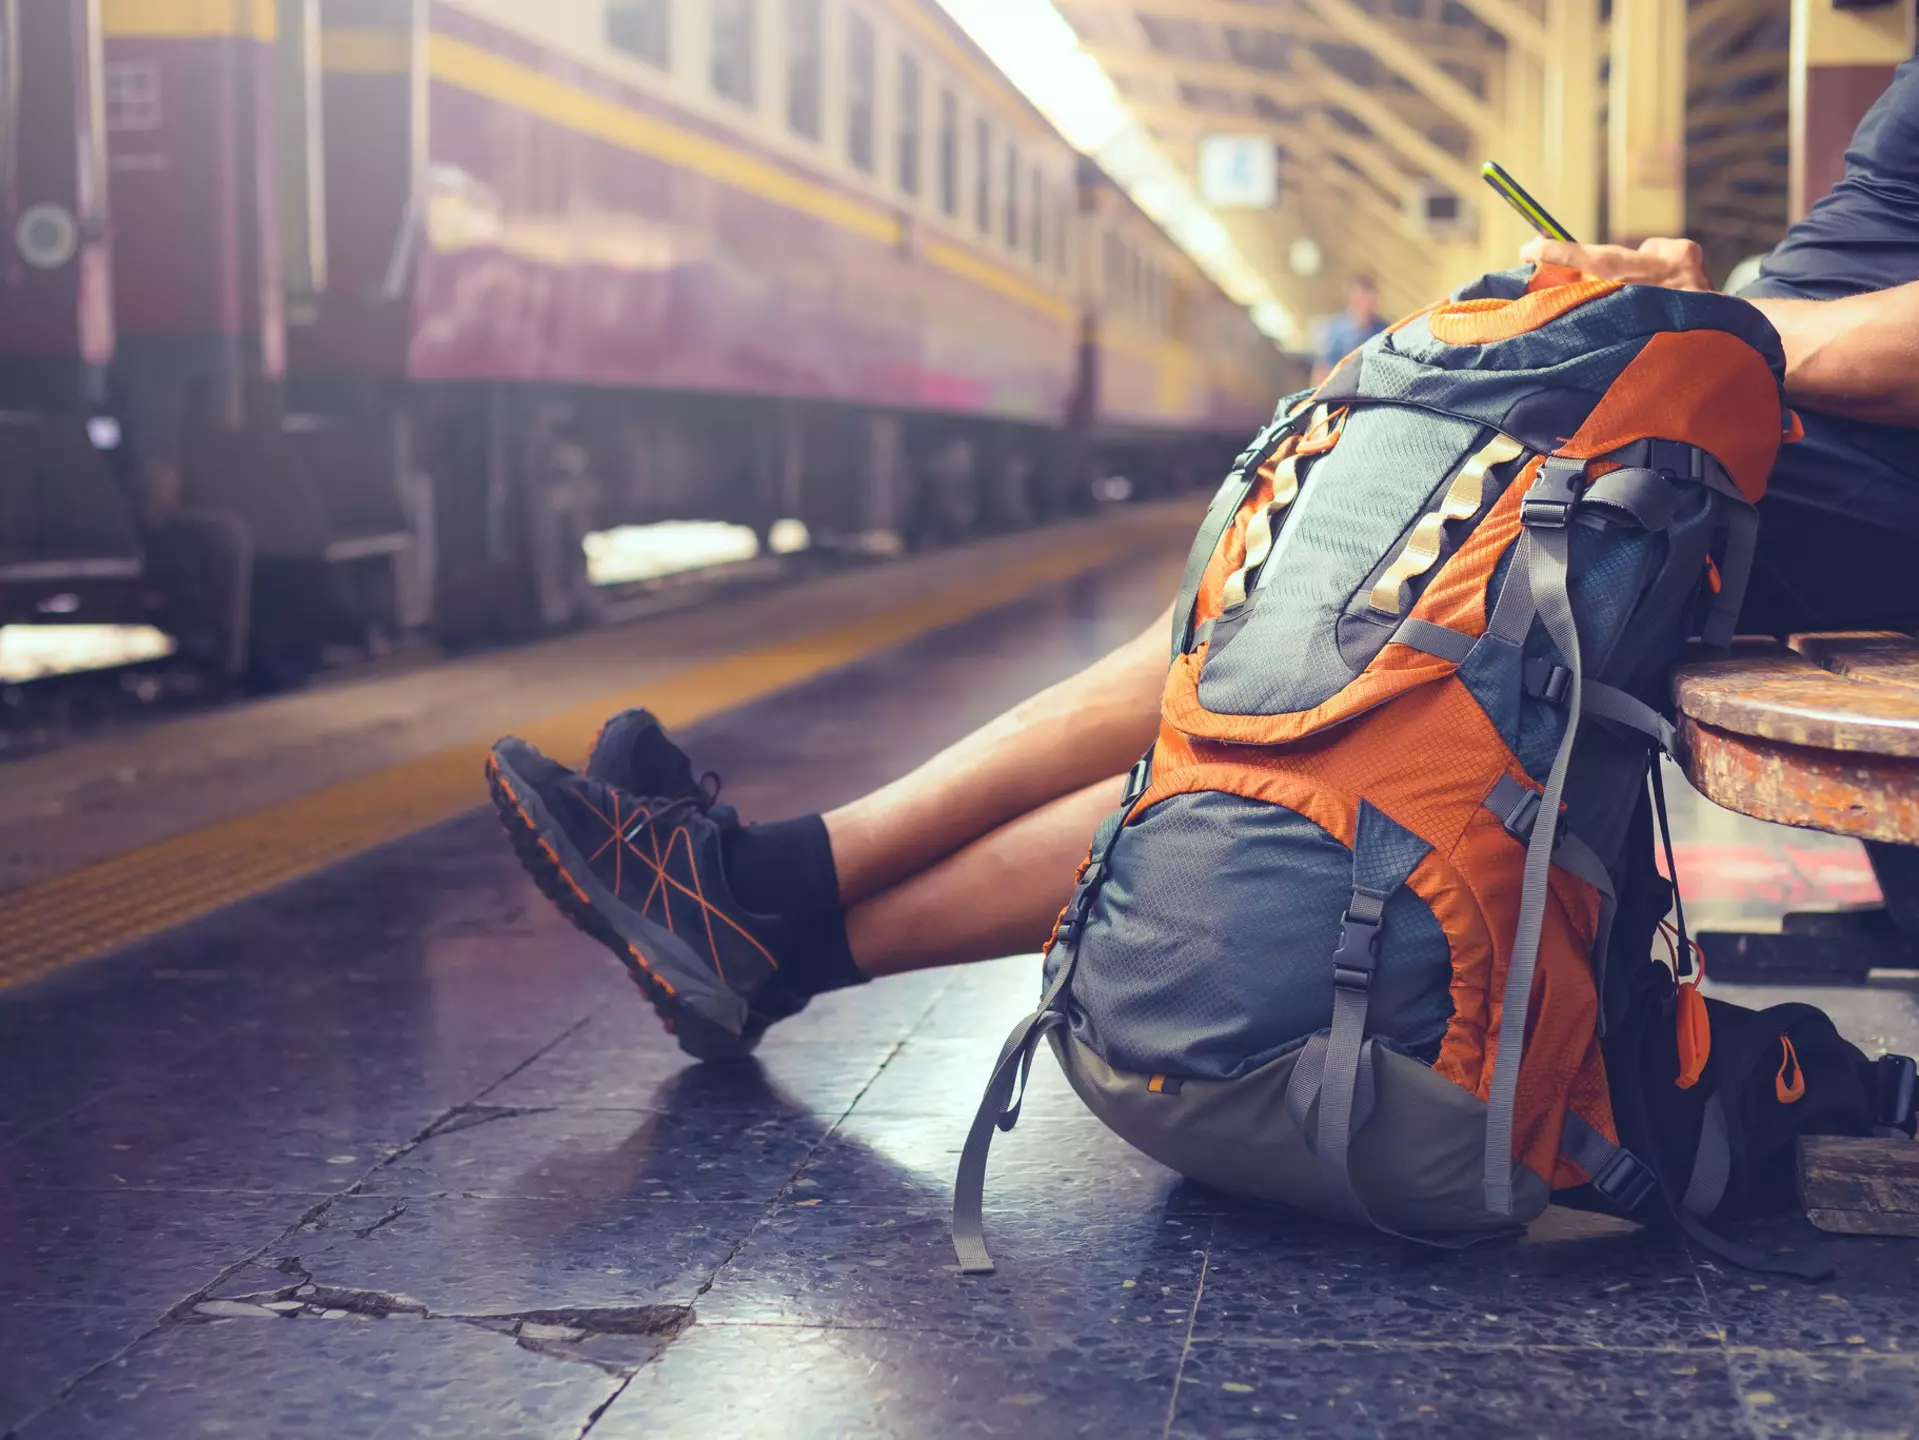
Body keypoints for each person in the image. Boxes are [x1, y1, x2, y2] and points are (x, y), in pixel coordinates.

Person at [487, 58, 1919, 1061]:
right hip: (1750, 453)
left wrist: (1714, 342)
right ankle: (768, 909)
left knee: (1334, 653)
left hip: (1815, 493)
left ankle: (770, 902)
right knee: (1294, 618)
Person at [1309, 274, 1387, 385]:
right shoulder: (1335, 329)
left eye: (1369, 296)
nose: (1366, 302)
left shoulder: (1383, 329)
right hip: (1341, 390)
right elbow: (1323, 367)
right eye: (1362, 296)